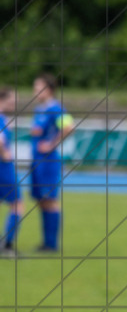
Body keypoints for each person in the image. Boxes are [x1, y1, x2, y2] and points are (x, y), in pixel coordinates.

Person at [29, 73, 73, 253]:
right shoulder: (40, 109)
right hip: (37, 160)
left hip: (48, 161)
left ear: (49, 89)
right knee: (40, 200)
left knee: (50, 200)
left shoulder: (56, 108)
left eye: (38, 87)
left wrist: (52, 143)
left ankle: (51, 244)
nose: (35, 91)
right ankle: (45, 242)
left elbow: (69, 127)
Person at [0, 87, 23, 257]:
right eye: (12, 99)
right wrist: (4, 153)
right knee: (17, 204)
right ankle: (6, 246)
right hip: (3, 167)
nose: (15, 102)